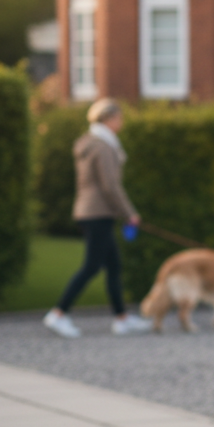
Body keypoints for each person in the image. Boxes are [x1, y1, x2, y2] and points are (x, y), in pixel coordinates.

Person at [43, 99, 152, 338]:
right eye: (119, 118)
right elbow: (110, 185)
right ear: (109, 119)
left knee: (113, 266)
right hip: (98, 212)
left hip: (90, 211)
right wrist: (129, 213)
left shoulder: (90, 143)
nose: (121, 123)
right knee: (92, 266)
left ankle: (121, 318)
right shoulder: (103, 147)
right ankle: (59, 313)